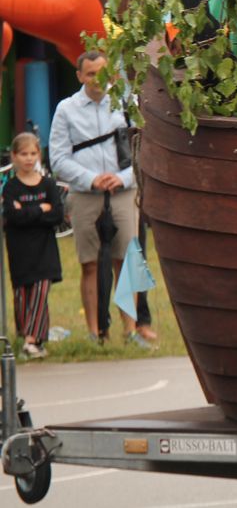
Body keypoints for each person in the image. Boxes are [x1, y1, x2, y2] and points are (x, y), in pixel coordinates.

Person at [49, 50, 151, 348]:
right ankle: (95, 333)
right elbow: (58, 158)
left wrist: (123, 178)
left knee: (126, 260)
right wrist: (91, 179)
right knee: (90, 263)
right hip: (85, 194)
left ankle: (130, 330)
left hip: (123, 191)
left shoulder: (126, 103)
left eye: (101, 73)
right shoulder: (66, 109)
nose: (96, 79)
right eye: (90, 73)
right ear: (79, 75)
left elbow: (144, 149)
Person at [2, 133, 63, 359]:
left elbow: (57, 215)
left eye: (33, 153)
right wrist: (40, 209)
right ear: (14, 156)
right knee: (23, 295)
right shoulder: (11, 188)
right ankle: (31, 338)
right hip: (20, 250)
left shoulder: (48, 184)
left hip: (44, 249)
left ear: (39, 155)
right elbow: (13, 217)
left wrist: (27, 212)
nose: (28, 158)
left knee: (40, 291)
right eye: (23, 154)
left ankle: (31, 339)